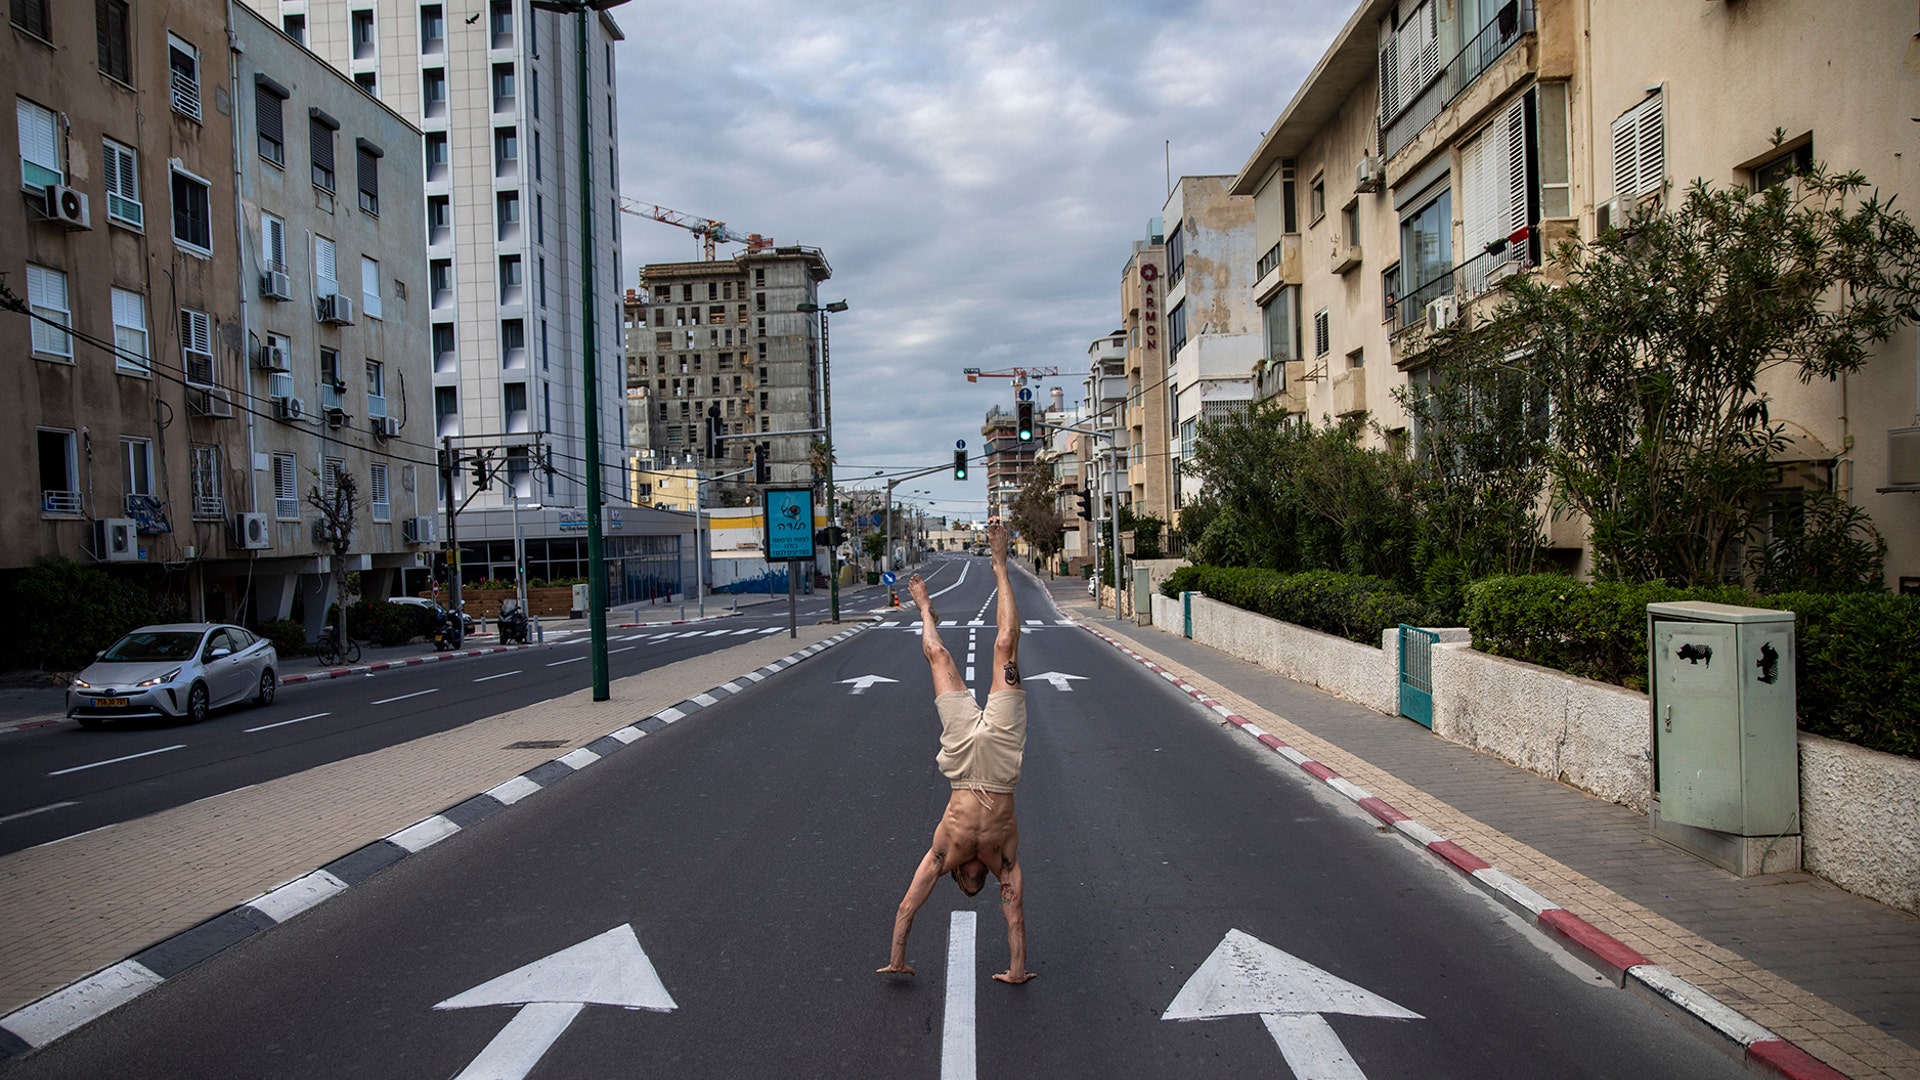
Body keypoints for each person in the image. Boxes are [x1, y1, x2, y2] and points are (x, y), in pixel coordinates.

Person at [878, 523, 1034, 984]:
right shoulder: (1004, 860)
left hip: (964, 759)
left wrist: (898, 956)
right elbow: (1015, 916)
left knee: (938, 656)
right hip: (1003, 759)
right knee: (1007, 645)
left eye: (967, 882)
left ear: (957, 874)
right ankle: (1000, 566)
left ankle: (926, 610)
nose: (972, 881)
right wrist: (1017, 971)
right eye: (974, 884)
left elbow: (909, 904)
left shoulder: (943, 851)